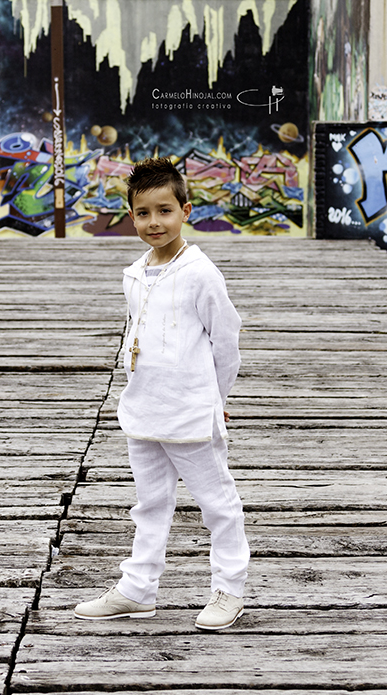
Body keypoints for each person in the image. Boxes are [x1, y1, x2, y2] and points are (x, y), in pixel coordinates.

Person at [73, 157, 249, 631]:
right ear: (132, 216)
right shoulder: (134, 274)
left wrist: (218, 398)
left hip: (191, 412)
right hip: (143, 409)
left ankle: (229, 589)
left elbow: (225, 342)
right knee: (149, 503)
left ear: (185, 210)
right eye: (144, 213)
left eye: (165, 210)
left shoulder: (201, 274)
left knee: (217, 503)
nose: (155, 222)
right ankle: (137, 588)